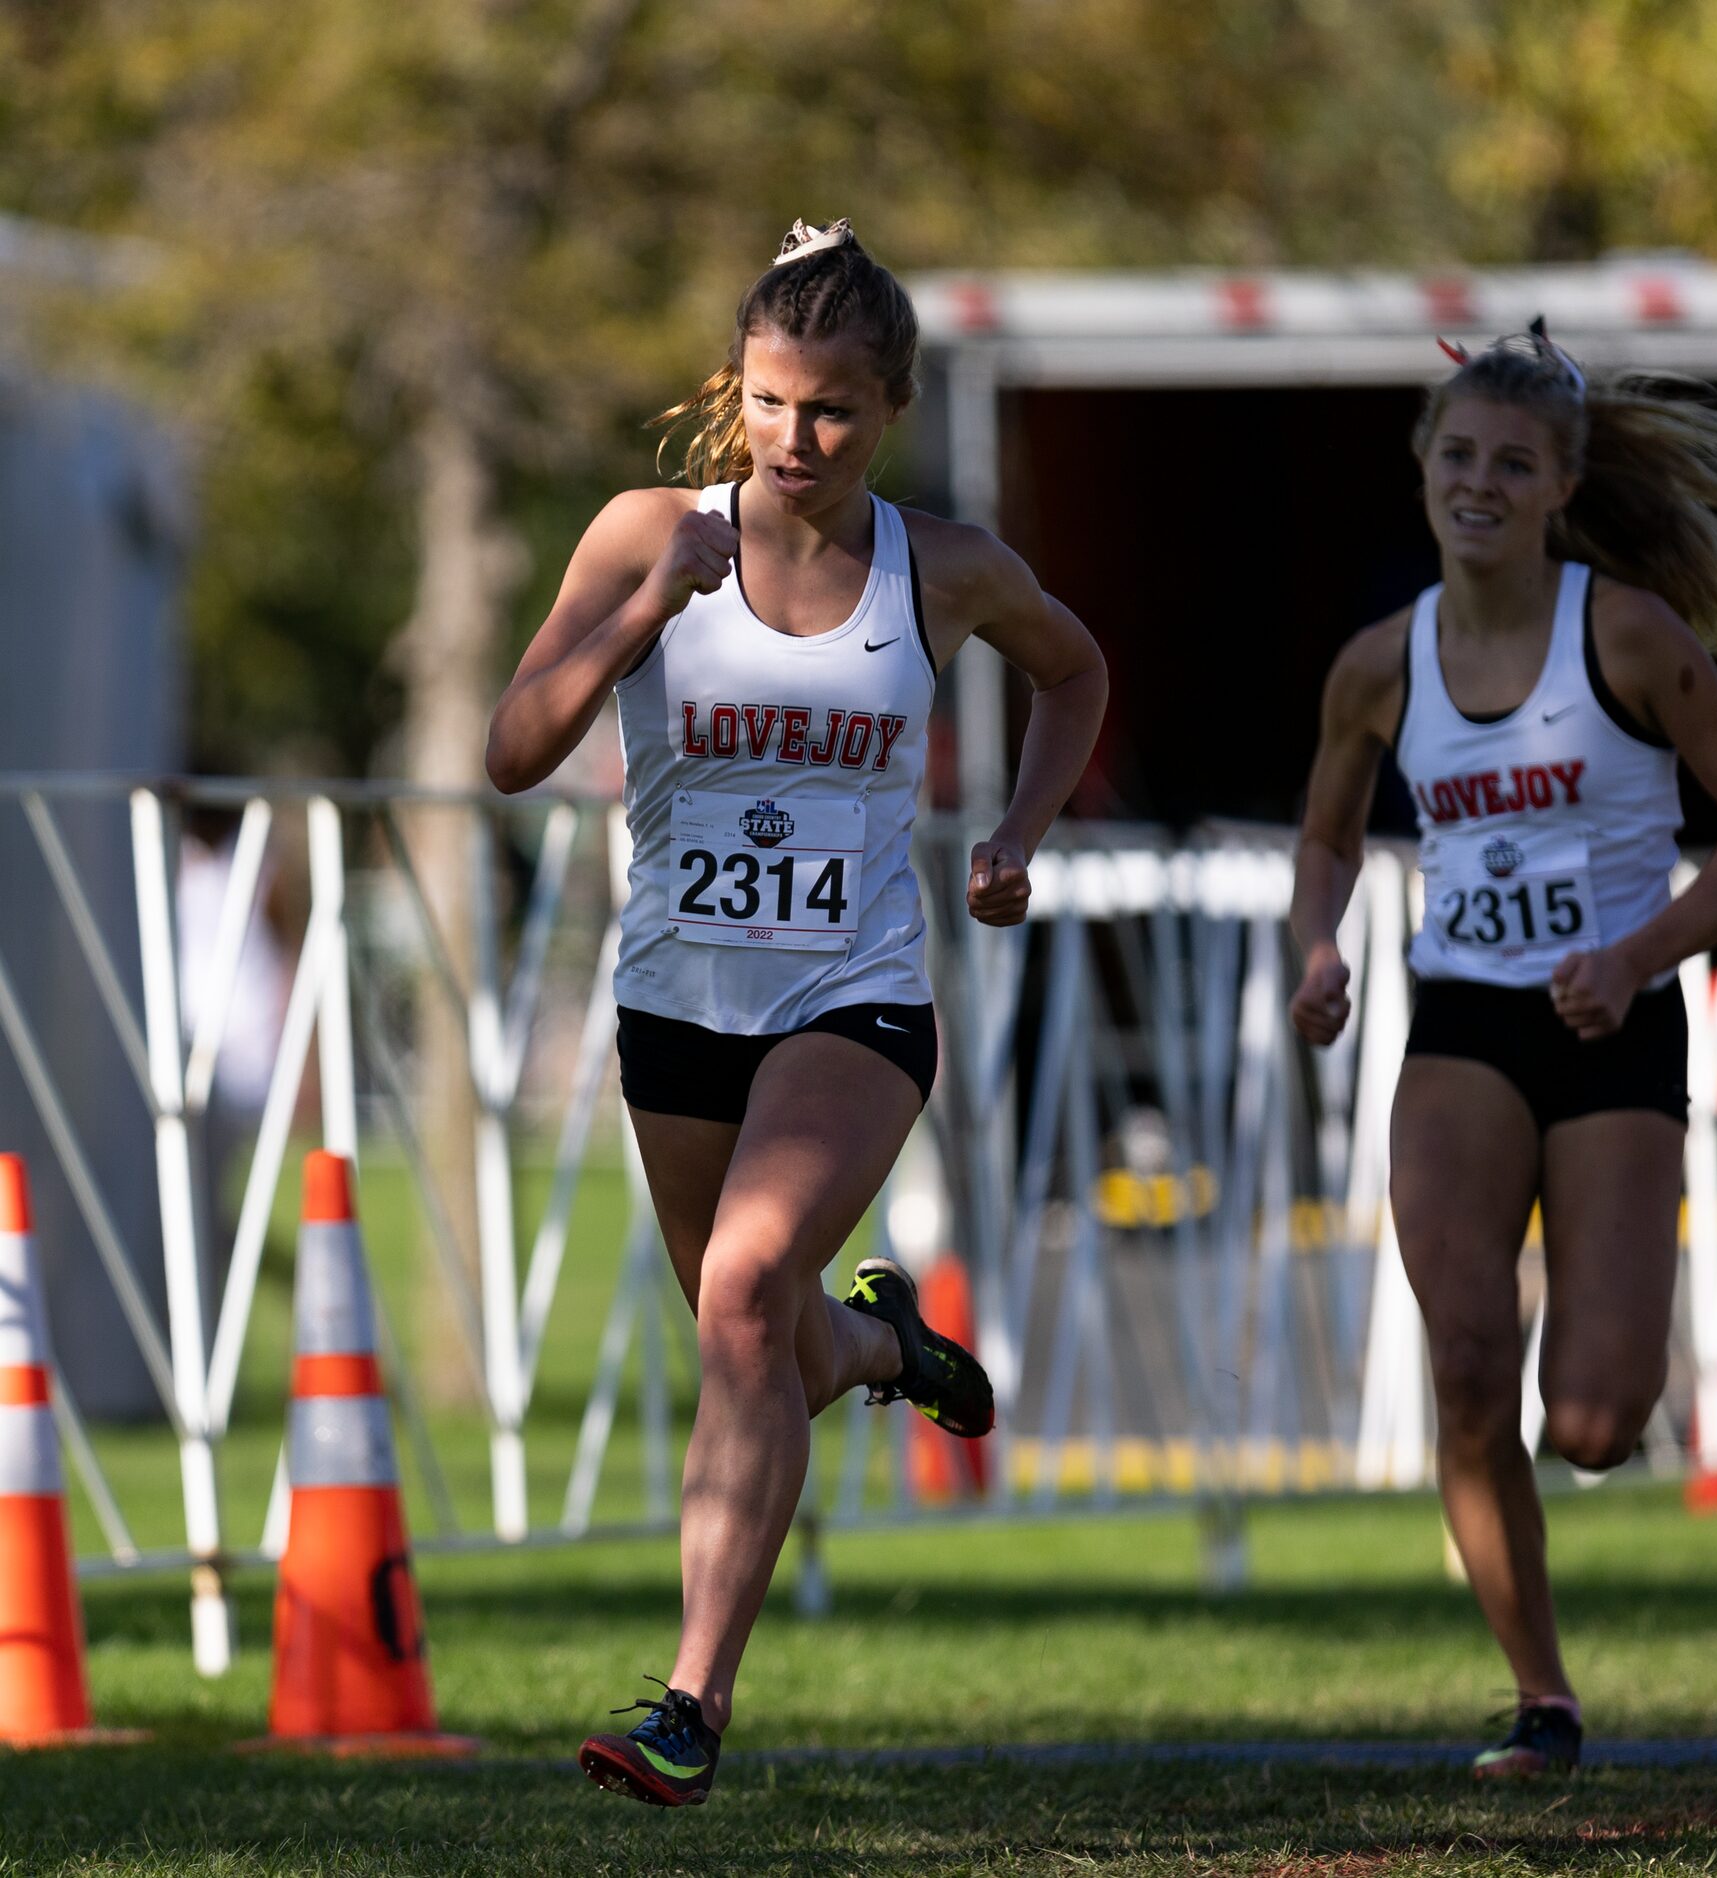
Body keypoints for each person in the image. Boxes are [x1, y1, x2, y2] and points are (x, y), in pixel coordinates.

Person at [485, 217, 1107, 1806]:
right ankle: (888, 1349)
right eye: (767, 401)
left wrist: (1017, 834)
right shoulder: (647, 531)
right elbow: (512, 746)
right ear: (734, 389)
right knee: (752, 1331)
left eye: (829, 408)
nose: (793, 439)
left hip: (857, 998)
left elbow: (1076, 672)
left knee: (749, 1284)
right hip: (677, 1009)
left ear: (888, 404)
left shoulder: (941, 566)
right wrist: (642, 615)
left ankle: (690, 1703)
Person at [1288, 322, 1717, 1775]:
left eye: (1509, 463)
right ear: (1422, 471)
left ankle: (1585, 1451)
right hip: (1460, 1017)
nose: (1477, 482)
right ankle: (1540, 1697)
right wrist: (1317, 949)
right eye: (1455, 455)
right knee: (1466, 1360)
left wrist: (1635, 953)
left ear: (1559, 485)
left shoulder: (1626, 636)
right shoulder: (1375, 665)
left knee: (1587, 1418)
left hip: (1613, 1022)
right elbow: (1326, 839)